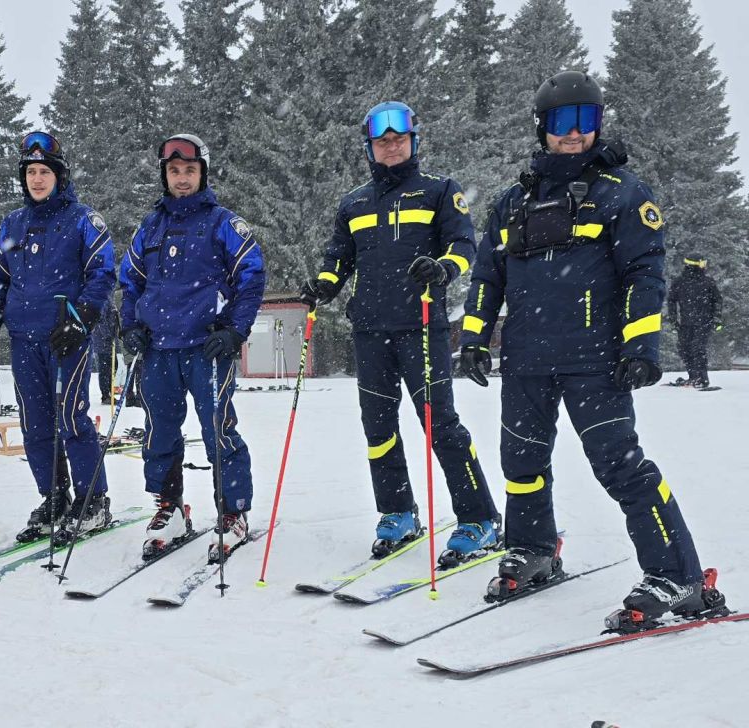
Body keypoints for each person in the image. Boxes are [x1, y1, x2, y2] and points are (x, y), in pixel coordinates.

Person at [459, 70, 714, 620]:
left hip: (596, 361)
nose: (573, 134)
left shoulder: (622, 194)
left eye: (585, 121)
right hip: (526, 358)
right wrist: (474, 339)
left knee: (620, 467)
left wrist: (640, 346)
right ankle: (532, 550)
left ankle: (678, 576)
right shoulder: (511, 202)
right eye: (561, 122)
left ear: (598, 125)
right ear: (541, 128)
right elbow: (487, 276)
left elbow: (645, 273)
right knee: (520, 462)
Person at [300, 101, 501, 560]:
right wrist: (324, 285)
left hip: (420, 327)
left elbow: (464, 244)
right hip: (370, 328)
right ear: (370, 148)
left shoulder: (440, 191)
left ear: (413, 140)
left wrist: (444, 268)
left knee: (440, 426)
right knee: (379, 429)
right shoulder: (353, 201)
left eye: (399, 139)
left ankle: (479, 517)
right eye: (381, 141)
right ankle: (398, 513)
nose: (391, 147)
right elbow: (339, 257)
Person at [120, 133, 266, 562]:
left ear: (202, 172)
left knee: (218, 429)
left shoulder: (224, 223)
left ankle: (233, 512)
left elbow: (252, 277)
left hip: (208, 346)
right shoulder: (151, 226)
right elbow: (130, 282)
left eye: (189, 170)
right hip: (159, 348)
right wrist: (131, 326)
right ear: (164, 176)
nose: (181, 179)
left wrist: (235, 330)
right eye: (173, 171)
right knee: (159, 431)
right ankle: (170, 509)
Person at [0, 131, 116, 545]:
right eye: (31, 172)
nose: (37, 180)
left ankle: (92, 500)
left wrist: (82, 317)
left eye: (45, 172)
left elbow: (102, 273)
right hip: (24, 338)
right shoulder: (13, 223)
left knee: (72, 419)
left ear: (59, 176)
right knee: (35, 424)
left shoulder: (82, 220)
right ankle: (54, 496)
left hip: (66, 337)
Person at [667, 254, 723, 389]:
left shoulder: (708, 282)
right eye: (703, 263)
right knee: (684, 349)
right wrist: (673, 318)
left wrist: (717, 318)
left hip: (704, 322)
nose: (705, 266)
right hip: (686, 323)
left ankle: (702, 379)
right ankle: (693, 376)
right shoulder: (679, 282)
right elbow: (671, 300)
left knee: (698, 349)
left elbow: (717, 300)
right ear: (694, 265)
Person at [91, 299, 120, 405]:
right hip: (103, 341)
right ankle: (105, 395)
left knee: (113, 366)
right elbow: (100, 320)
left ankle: (109, 390)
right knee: (105, 369)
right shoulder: (104, 301)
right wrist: (108, 335)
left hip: (110, 341)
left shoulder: (110, 300)